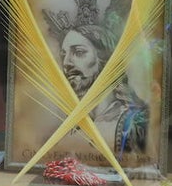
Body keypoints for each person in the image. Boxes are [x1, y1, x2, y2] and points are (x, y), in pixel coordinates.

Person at [57, 22, 150, 155]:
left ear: (106, 59)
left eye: (78, 52)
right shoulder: (72, 124)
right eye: (63, 55)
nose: (66, 63)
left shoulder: (135, 121)